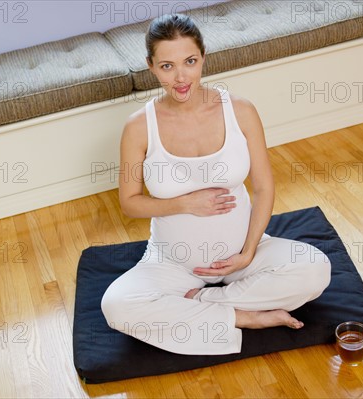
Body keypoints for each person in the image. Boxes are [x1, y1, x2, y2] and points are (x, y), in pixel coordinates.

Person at [101, 13, 331, 355]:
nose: (181, 77)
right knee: (116, 306)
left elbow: (264, 188)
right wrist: (184, 203)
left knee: (315, 269)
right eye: (167, 66)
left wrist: (249, 252)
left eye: (190, 62)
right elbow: (129, 202)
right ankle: (245, 316)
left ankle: (208, 303)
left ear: (203, 58)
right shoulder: (138, 126)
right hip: (173, 264)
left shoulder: (240, 110)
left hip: (243, 256)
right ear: (150, 66)